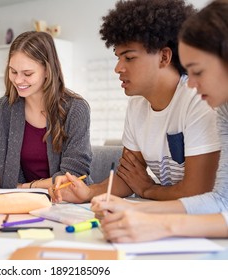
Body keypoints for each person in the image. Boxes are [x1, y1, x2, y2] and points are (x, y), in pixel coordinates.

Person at [52, 0, 220, 203]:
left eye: (129, 58)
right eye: (118, 57)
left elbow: (198, 192)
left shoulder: (198, 100)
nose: (118, 68)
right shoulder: (137, 106)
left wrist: (148, 189)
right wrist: (89, 192)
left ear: (164, 57)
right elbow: (129, 176)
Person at [90, 0, 228, 244]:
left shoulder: (201, 104)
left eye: (197, 71)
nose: (192, 84)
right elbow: (221, 201)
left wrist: (157, 218)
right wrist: (130, 209)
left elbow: (206, 197)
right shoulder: (224, 110)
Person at [0, 31, 92, 194]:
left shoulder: (75, 109)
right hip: (17, 200)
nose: (17, 80)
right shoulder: (1, 110)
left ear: (47, 70)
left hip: (65, 201)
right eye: (13, 71)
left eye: (27, 74)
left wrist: (24, 188)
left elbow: (73, 175)